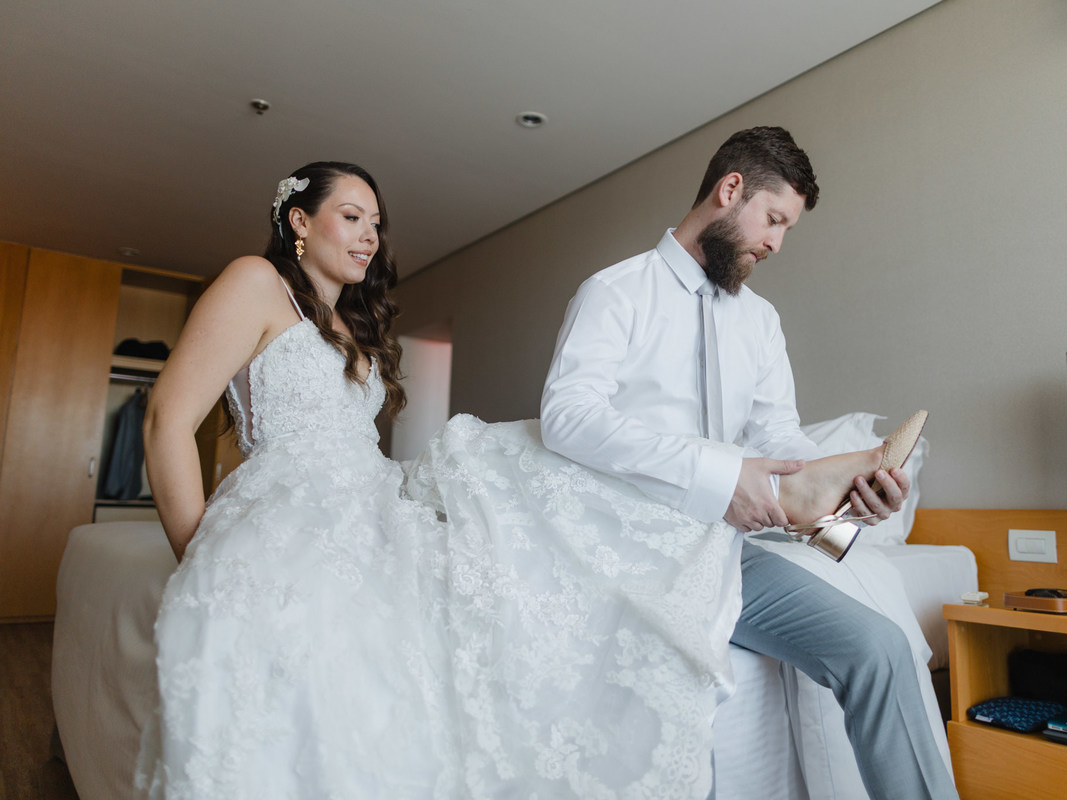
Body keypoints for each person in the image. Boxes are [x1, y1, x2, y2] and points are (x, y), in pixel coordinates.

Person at [134, 162, 754, 799]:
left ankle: (682, 529)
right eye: (351, 218)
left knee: (504, 517)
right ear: (298, 220)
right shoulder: (255, 281)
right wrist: (198, 556)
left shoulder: (349, 322)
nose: (369, 237)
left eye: (375, 224)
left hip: (375, 501)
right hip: (289, 503)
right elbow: (166, 419)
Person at [541, 127, 960, 799]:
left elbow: (780, 440)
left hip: (726, 554)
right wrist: (719, 474)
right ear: (730, 190)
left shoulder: (759, 321)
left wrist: (847, 497)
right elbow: (568, 417)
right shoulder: (615, 292)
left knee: (882, 649)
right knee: (678, 710)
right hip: (629, 551)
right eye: (774, 220)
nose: (775, 243)